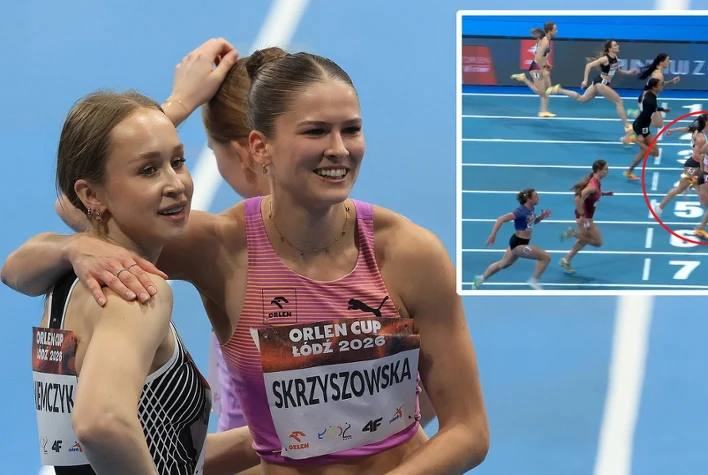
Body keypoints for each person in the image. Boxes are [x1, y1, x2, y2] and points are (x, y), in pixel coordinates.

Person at [3, 47, 488, 475]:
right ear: (259, 147)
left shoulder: (409, 253)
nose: (339, 150)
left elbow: (468, 429)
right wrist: (71, 247)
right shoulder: (217, 246)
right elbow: (39, 247)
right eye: (316, 131)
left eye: (352, 129)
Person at [16, 90, 259, 475]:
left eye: (178, 162)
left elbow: (163, 455)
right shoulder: (136, 293)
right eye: (148, 170)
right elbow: (101, 425)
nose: (176, 184)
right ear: (90, 194)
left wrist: (272, 439)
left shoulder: (63, 280)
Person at [551, 40, 639, 133]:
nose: (618, 46)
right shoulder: (605, 59)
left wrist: (629, 72)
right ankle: (627, 126)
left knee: (582, 99)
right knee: (619, 101)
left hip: (600, 82)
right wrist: (585, 80)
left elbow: (619, 71)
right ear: (610, 48)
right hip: (600, 84)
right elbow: (589, 65)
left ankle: (559, 89)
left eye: (617, 45)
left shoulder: (615, 58)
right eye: (615, 45)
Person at [472, 188, 553, 290]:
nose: (539, 198)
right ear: (529, 199)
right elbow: (501, 219)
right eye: (536, 196)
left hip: (519, 241)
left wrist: (540, 218)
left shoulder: (531, 208)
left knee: (503, 264)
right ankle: (534, 280)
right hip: (519, 245)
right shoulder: (520, 211)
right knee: (546, 257)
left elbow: (530, 223)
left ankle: (480, 279)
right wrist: (493, 235)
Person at [559, 160, 613, 274]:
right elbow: (577, 199)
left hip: (585, 216)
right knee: (598, 242)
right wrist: (582, 216)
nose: (608, 171)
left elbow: (594, 193)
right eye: (606, 169)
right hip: (586, 218)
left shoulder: (596, 181)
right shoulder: (592, 186)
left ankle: (565, 260)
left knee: (584, 239)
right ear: (598, 171)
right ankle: (572, 233)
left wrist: (604, 193)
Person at [655, 113, 708, 214]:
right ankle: (659, 207)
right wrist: (703, 170)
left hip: (695, 165)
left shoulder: (697, 130)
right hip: (694, 166)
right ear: (706, 122)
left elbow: (686, 129)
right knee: (680, 188)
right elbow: (698, 156)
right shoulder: (701, 138)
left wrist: (672, 130)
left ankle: (692, 184)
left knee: (703, 193)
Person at [622, 78, 670, 181]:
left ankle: (629, 172)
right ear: (654, 87)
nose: (662, 86)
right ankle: (634, 140)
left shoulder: (649, 94)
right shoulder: (650, 101)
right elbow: (644, 117)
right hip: (642, 127)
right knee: (655, 152)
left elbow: (653, 108)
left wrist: (662, 109)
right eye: (660, 85)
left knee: (644, 151)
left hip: (640, 125)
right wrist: (640, 133)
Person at [511, 22, 559, 117]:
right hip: (536, 68)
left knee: (547, 90)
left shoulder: (545, 39)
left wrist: (547, 63)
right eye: (555, 30)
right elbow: (538, 57)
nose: (556, 31)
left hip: (541, 66)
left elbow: (543, 55)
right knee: (541, 92)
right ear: (550, 31)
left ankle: (543, 111)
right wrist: (543, 69)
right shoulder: (545, 41)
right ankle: (523, 78)